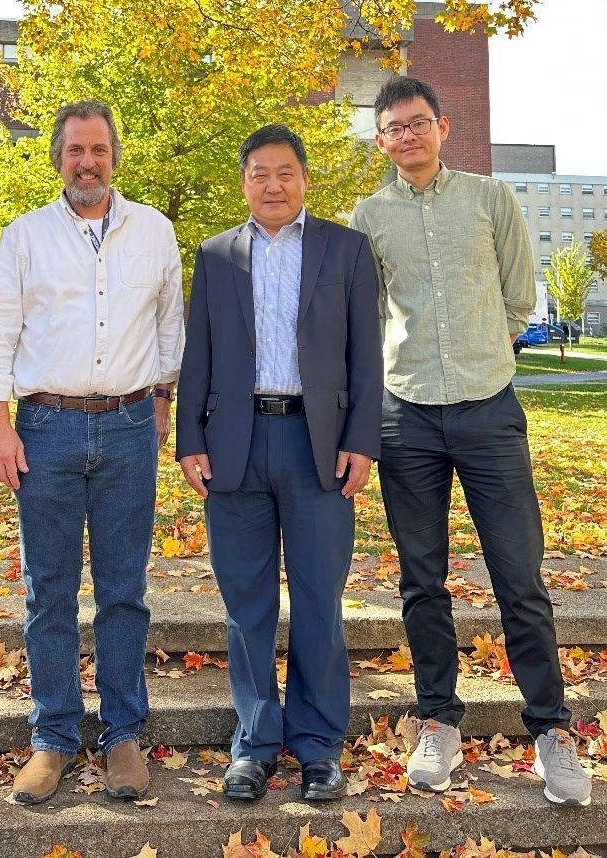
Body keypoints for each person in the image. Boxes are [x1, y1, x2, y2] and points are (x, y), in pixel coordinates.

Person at [349, 75, 591, 807]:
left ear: (443, 128)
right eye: (394, 127)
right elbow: (363, 315)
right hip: (407, 414)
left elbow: (521, 294)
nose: (408, 135)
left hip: (489, 410)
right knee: (422, 581)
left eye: (419, 122)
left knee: (520, 579)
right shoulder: (367, 216)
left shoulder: (490, 199)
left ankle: (551, 730)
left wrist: (487, 353)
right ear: (382, 140)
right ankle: (439, 722)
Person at [0, 99, 184, 804]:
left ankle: (122, 734)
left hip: (127, 430)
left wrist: (159, 403)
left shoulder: (154, 231)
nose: (86, 163)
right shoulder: (25, 236)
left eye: (97, 150)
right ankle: (55, 736)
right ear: (58, 159)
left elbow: (168, 327)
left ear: (113, 155)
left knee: (125, 592)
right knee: (48, 592)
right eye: (74, 152)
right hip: (46, 429)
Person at [176, 125, 382, 802]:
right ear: (244, 181)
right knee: (246, 607)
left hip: (317, 446)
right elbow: (197, 353)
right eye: (260, 173)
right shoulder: (214, 255)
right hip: (235, 445)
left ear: (304, 178)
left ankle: (319, 748)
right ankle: (256, 745)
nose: (273, 184)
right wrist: (188, 439)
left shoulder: (346, 249)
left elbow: (365, 354)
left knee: (320, 601)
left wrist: (363, 440)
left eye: (285, 172)